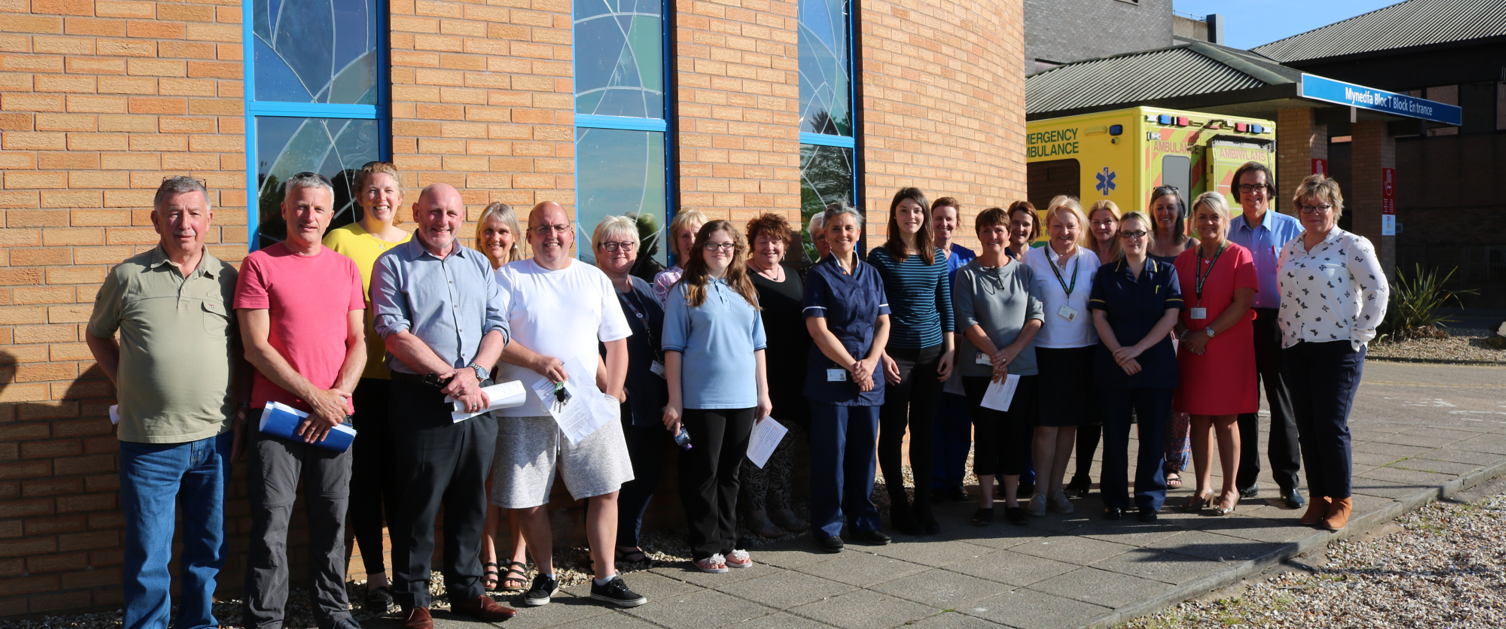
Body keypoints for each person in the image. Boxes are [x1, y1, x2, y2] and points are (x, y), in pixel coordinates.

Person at [86, 177, 243, 629]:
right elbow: (98, 334)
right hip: (148, 442)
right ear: (155, 219)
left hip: (214, 439)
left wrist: (243, 413)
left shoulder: (228, 280)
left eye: (194, 213)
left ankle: (197, 623)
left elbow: (244, 350)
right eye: (173, 213)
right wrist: (124, 383)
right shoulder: (128, 276)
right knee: (149, 553)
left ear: (210, 219)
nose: (184, 223)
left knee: (207, 548)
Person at [370, 183, 516, 629]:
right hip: (422, 399)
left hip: (477, 397)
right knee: (418, 502)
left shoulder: (477, 263)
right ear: (416, 212)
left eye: (452, 213)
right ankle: (414, 599)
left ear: (461, 215)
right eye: (434, 212)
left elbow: (497, 325)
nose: (443, 221)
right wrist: (450, 377)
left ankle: (467, 590)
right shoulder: (393, 264)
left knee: (471, 498)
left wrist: (474, 372)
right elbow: (393, 331)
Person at [492, 202, 647, 608]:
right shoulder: (508, 277)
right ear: (529, 236)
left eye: (559, 227)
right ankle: (544, 575)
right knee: (528, 499)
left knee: (606, 489)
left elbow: (616, 344)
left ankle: (605, 577)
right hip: (524, 408)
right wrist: (536, 362)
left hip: (587, 409)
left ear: (571, 234)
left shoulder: (593, 278)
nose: (551, 235)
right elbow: (493, 338)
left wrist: (612, 396)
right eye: (541, 228)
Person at [236, 172, 367, 629]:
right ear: (285, 209)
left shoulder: (345, 267)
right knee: (272, 524)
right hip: (276, 417)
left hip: (334, 416)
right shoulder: (259, 265)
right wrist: (314, 397)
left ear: (331, 216)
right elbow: (255, 347)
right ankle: (265, 620)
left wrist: (337, 397)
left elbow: (359, 341)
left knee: (333, 521)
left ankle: (333, 612)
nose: (308, 215)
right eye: (300, 205)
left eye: (318, 208)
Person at [321, 161, 412, 609]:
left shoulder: (413, 244)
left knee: (401, 480)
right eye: (372, 190)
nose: (381, 198)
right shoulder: (340, 240)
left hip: (405, 381)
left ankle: (404, 575)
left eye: (389, 190)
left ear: (400, 197)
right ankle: (375, 578)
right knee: (364, 479)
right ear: (359, 197)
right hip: (357, 383)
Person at [1278, 175, 1388, 531]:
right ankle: (1317, 498)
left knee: (1330, 427)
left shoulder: (1353, 245)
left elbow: (1378, 289)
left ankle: (1341, 499)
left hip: (1339, 348)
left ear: (1336, 209)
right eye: (1306, 206)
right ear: (1298, 210)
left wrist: (1360, 333)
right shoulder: (1291, 247)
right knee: (1307, 428)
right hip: (1297, 347)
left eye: (1321, 206)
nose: (1313, 212)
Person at [662, 220, 773, 572]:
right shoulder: (685, 291)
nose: (720, 251)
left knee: (731, 473)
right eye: (712, 245)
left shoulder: (746, 290)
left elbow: (759, 345)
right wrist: (675, 400)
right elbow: (673, 350)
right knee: (703, 474)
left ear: (736, 250)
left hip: (742, 398)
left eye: (727, 245)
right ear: (699, 249)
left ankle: (728, 542)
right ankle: (704, 547)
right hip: (701, 400)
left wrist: (763, 393)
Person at [804, 202, 893, 553]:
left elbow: (883, 322)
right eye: (835, 229)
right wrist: (853, 366)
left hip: (869, 380)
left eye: (849, 228)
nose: (843, 234)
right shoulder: (819, 275)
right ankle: (827, 525)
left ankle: (863, 520)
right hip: (832, 384)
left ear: (858, 233)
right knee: (831, 454)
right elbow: (818, 329)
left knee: (863, 454)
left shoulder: (872, 273)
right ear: (825, 234)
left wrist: (870, 363)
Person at [869, 187, 955, 535]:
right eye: (904, 210)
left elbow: (945, 307)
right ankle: (899, 507)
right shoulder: (879, 257)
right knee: (892, 431)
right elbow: (873, 311)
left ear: (924, 216)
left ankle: (923, 503)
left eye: (917, 210)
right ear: (894, 216)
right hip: (897, 358)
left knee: (924, 432)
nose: (911, 217)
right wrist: (883, 356)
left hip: (932, 355)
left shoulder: (936, 256)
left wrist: (950, 350)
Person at [1088, 211, 1182, 522]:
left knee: (1153, 437)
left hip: (1155, 367)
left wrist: (1136, 350)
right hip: (1113, 367)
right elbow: (1099, 317)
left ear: (1149, 236)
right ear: (1120, 238)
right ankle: (1114, 499)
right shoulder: (1106, 275)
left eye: (1138, 233)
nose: (1132, 239)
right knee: (1114, 435)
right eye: (1126, 234)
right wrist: (1119, 353)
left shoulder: (1166, 272)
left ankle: (1149, 499)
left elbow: (1170, 318)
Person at [953, 207, 1044, 527]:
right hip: (981, 371)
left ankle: (1012, 502)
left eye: (999, 230)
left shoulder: (1024, 272)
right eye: (987, 230)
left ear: (1009, 234)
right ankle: (987, 503)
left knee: (1015, 435)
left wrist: (1010, 353)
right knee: (987, 434)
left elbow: (1036, 316)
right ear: (979, 234)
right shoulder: (966, 274)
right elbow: (966, 320)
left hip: (1020, 369)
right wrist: (995, 355)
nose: (994, 236)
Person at [590, 215, 670, 571]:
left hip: (653, 394)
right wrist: (611, 386)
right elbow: (582, 340)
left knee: (647, 471)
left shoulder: (642, 286)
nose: (620, 251)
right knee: (612, 478)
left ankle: (627, 540)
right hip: (617, 399)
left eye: (627, 244)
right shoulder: (591, 286)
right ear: (597, 249)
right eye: (611, 244)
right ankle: (600, 550)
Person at [1226, 161, 1307, 510]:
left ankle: (1288, 481)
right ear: (1237, 193)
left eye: (1259, 186)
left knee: (1282, 404)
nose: (1253, 193)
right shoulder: (1227, 231)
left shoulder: (1292, 229)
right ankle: (1246, 480)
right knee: (1245, 405)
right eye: (1245, 187)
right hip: (1239, 324)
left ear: (1270, 191)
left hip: (1279, 325)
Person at [1174, 192, 1257, 517]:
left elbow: (1242, 303)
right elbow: (1174, 303)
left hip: (1225, 347)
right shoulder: (1184, 259)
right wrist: (1184, 334)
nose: (1208, 222)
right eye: (1202, 217)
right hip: (1192, 347)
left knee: (1226, 419)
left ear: (1226, 221)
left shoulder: (1240, 256)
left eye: (1215, 217)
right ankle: (1202, 487)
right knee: (1198, 418)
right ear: (1193, 221)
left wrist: (1205, 333)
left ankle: (1230, 489)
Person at [1022, 196, 1099, 516]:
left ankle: (1056, 489)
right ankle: (1039, 492)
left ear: (1080, 228)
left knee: (1069, 425)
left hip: (1083, 351)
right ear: (1047, 227)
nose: (1064, 231)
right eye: (1057, 225)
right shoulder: (1032, 259)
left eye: (1070, 225)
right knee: (1045, 427)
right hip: (1045, 351)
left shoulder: (1092, 260)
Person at [740, 213, 812, 538]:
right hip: (760, 376)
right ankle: (756, 514)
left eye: (776, 240)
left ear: (785, 245)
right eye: (763, 240)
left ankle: (781, 506)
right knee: (758, 449)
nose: (770, 246)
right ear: (752, 244)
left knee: (784, 446)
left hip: (793, 375)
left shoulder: (795, 276)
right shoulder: (742, 278)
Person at [472, 202, 530, 593]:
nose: (495, 238)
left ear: (514, 237)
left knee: (522, 476)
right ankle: (488, 555)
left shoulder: (525, 276)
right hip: (480, 386)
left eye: (502, 232)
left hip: (518, 386)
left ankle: (521, 557)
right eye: (488, 231)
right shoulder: (470, 273)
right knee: (486, 477)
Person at [1066, 199, 1122, 498]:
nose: (1102, 227)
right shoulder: (1082, 257)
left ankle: (1116, 477)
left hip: (1121, 341)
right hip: (1086, 340)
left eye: (1108, 221)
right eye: (1097, 221)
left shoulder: (1128, 254)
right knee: (1088, 413)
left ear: (1118, 224)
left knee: (1113, 414)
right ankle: (1081, 474)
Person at [930, 198, 978, 505]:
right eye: (938, 219)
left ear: (957, 223)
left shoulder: (968, 257)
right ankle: (935, 480)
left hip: (964, 351)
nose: (944, 224)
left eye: (949, 219)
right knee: (935, 418)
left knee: (960, 420)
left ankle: (955, 480)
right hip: (933, 349)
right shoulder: (922, 255)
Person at [1147, 186, 1196, 492]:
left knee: (1180, 405)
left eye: (1171, 207)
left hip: (1182, 334)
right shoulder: (1143, 243)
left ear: (1180, 211)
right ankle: (1152, 460)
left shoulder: (1192, 246)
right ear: (1151, 210)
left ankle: (1174, 464)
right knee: (1152, 404)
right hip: (1149, 336)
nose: (1165, 213)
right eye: (1160, 207)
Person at [1004, 202, 1041, 496]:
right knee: (1005, 418)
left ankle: (1027, 475)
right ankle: (1007, 476)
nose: (1020, 229)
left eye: (1025, 224)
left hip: (1037, 349)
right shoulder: (997, 258)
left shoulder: (1039, 259)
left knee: (1030, 419)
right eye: (1014, 222)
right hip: (1003, 353)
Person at [653, 209, 707, 306]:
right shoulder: (665, 279)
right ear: (676, 242)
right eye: (685, 236)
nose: (692, 241)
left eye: (697, 235)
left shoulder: (716, 275)